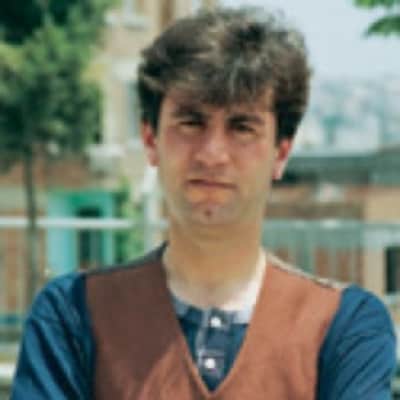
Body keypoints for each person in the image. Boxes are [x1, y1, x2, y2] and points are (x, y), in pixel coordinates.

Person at [11, 6, 396, 400]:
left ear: (281, 152)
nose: (212, 154)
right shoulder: (73, 316)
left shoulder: (344, 327)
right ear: (150, 139)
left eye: (242, 127)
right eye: (191, 123)